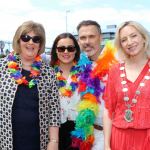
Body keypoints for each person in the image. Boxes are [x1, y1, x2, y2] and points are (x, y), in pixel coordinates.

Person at [0, 20, 60, 150]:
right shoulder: (2, 68)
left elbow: (54, 111)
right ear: (18, 41)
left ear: (40, 44)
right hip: (6, 142)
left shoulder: (48, 72)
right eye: (26, 37)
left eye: (36, 39)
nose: (30, 42)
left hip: (39, 143)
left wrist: (54, 141)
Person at [103, 21, 150, 150]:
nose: (129, 42)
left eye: (133, 36)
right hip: (119, 139)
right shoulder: (115, 70)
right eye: (124, 40)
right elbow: (108, 109)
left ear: (144, 38)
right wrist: (107, 145)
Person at [77, 20, 104, 150]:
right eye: (83, 37)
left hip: (114, 135)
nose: (87, 41)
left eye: (91, 36)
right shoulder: (78, 66)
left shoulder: (117, 62)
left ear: (101, 37)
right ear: (79, 41)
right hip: (89, 135)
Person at [50, 32, 81, 150]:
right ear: (56, 51)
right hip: (54, 131)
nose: (66, 52)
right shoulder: (48, 74)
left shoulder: (85, 74)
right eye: (61, 48)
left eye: (70, 48)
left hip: (80, 131)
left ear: (76, 50)